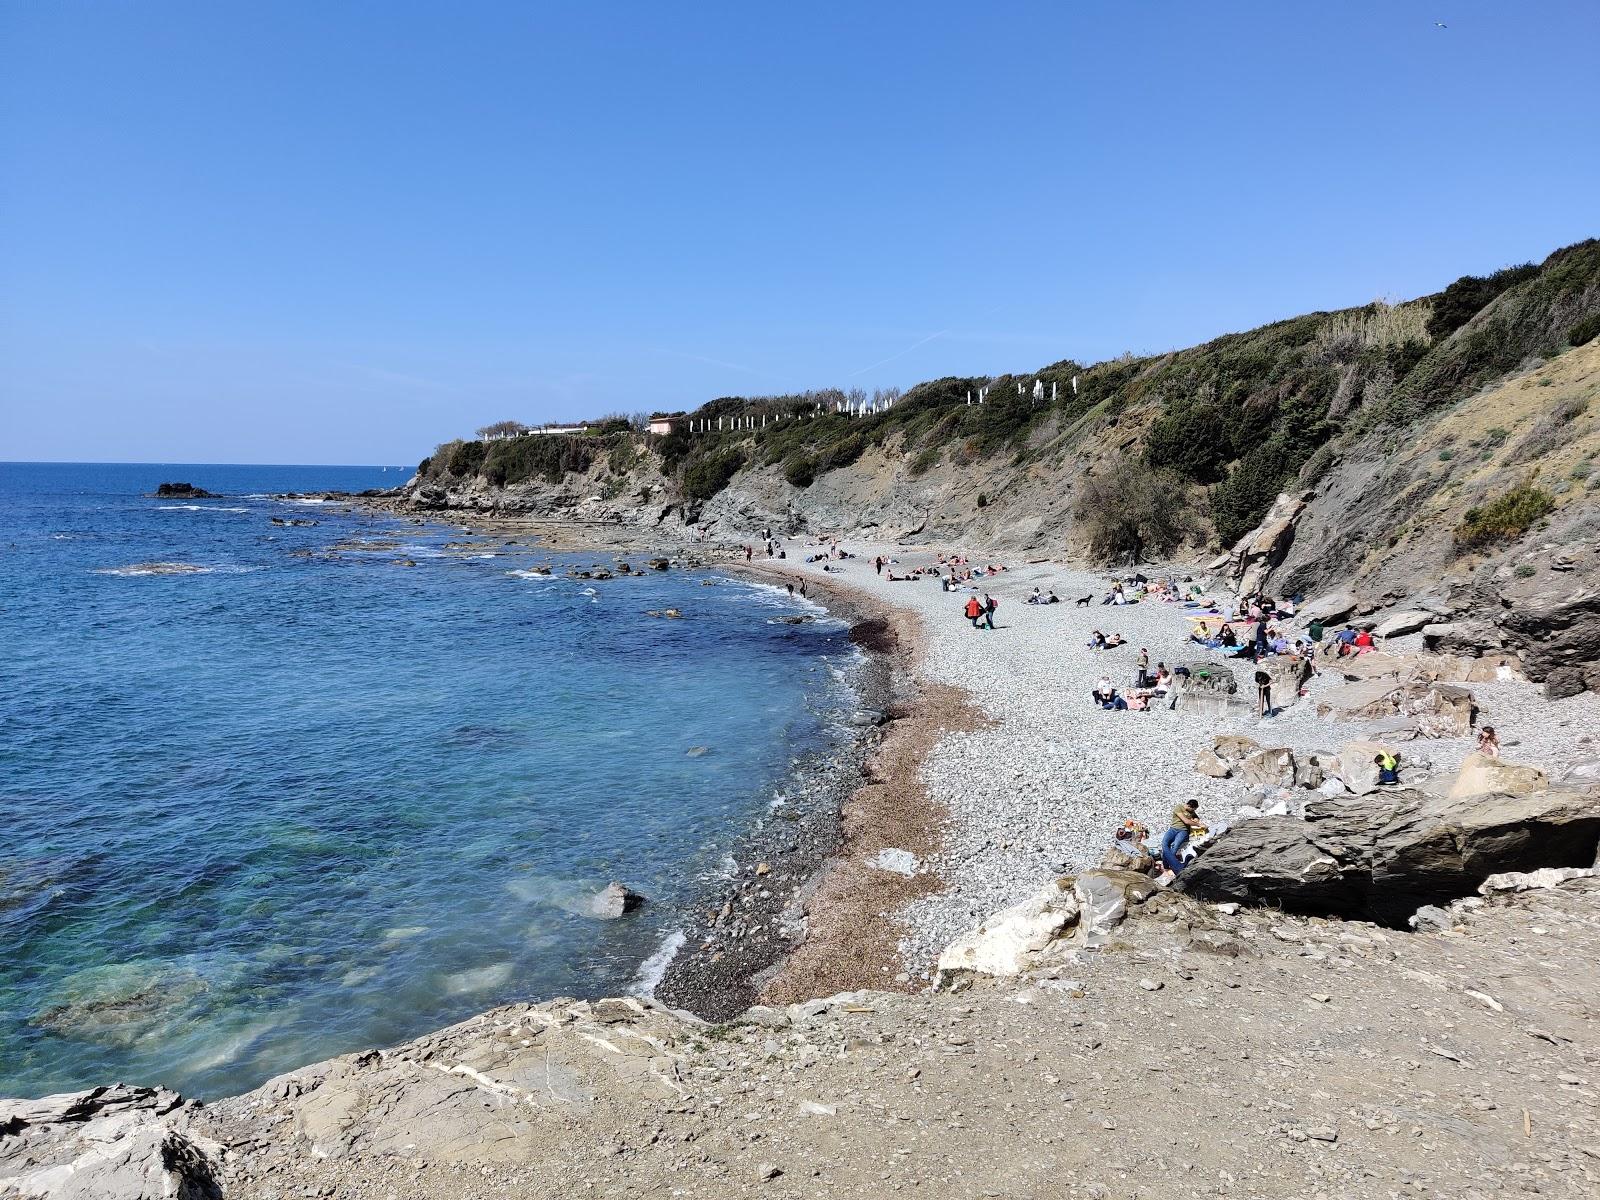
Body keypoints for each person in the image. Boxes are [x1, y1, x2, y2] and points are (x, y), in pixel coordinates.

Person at [1161, 800, 1203, 874]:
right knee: (1164, 844)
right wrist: (1198, 825)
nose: (1193, 811)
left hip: (1183, 831)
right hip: (1173, 829)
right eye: (1193, 809)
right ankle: (1169, 866)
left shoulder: (1191, 811)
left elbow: (1196, 817)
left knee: (1175, 846)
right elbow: (1186, 821)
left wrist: (1196, 819)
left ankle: (1170, 867)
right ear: (1189, 806)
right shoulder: (1179, 807)